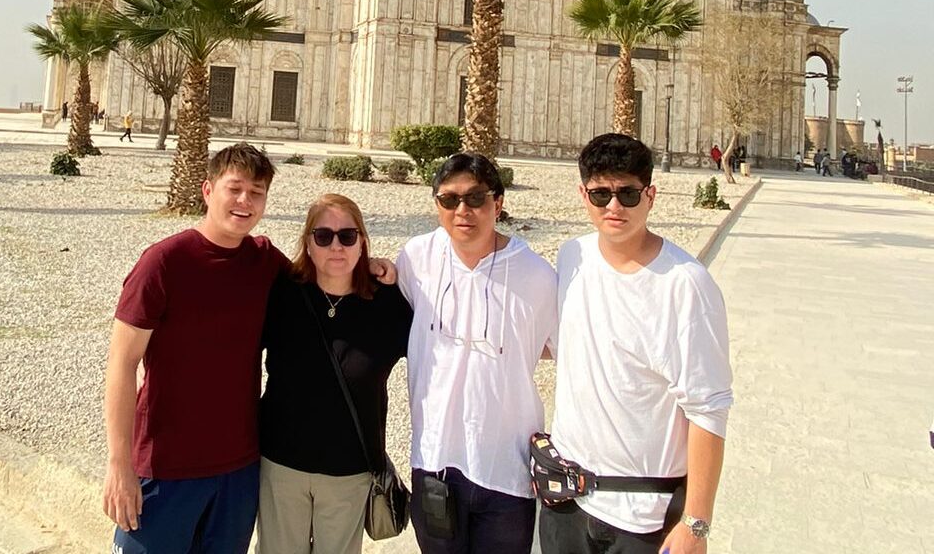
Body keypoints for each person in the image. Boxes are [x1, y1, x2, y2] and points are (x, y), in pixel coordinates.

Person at [103, 143, 396, 554]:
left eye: (256, 192)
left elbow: (319, 269)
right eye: (235, 189)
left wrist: (365, 262)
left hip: (239, 471)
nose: (245, 202)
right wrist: (119, 465)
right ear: (208, 190)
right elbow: (122, 363)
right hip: (165, 468)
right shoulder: (164, 263)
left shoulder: (263, 261)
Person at [539, 133, 733, 554]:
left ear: (651, 196)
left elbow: (709, 408)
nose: (613, 207)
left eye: (627, 194)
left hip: (642, 517)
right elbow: (559, 341)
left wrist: (696, 525)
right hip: (565, 502)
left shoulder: (686, 285)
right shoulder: (573, 256)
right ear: (583, 195)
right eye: (601, 194)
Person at [397, 153, 557, 554]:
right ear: (436, 204)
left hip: (508, 471)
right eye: (449, 200)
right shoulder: (415, 259)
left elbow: (561, 351)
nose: (462, 210)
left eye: (475, 198)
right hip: (434, 461)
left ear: (497, 203)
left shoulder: (537, 276)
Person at [257, 194, 412, 554]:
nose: (336, 246)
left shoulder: (388, 304)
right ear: (308, 244)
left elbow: (440, 349)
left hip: (351, 470)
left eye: (347, 236)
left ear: (362, 242)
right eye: (323, 236)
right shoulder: (283, 295)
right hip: (282, 466)